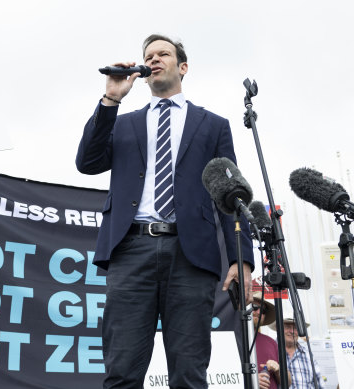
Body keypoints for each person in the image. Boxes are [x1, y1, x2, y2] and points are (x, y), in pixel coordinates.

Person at [75, 34, 254, 388]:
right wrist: (111, 98)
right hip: (131, 251)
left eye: (164, 54)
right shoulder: (123, 122)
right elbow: (87, 162)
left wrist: (242, 259)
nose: (155, 59)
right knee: (122, 370)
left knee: (189, 373)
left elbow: (230, 193)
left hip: (190, 255)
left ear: (182, 67)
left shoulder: (213, 125)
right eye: (149, 56)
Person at [271, 311, 325, 389]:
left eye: (295, 328)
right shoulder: (270, 350)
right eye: (287, 327)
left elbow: (320, 384)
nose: (292, 331)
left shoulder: (308, 354)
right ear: (278, 328)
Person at [251, 291, 291, 389]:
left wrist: (278, 371)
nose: (259, 312)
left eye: (263, 310)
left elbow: (288, 382)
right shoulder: (232, 339)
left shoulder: (271, 343)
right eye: (254, 307)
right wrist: (251, 380)